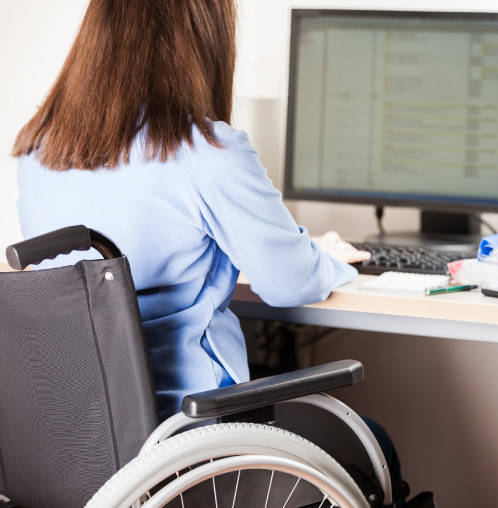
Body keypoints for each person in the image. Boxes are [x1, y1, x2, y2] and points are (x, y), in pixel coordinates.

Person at [11, 2, 435, 507]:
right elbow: (290, 283)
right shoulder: (206, 152)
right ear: (205, 41)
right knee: (375, 440)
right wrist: (331, 257)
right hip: (189, 437)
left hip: (81, 447)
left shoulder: (38, 152)